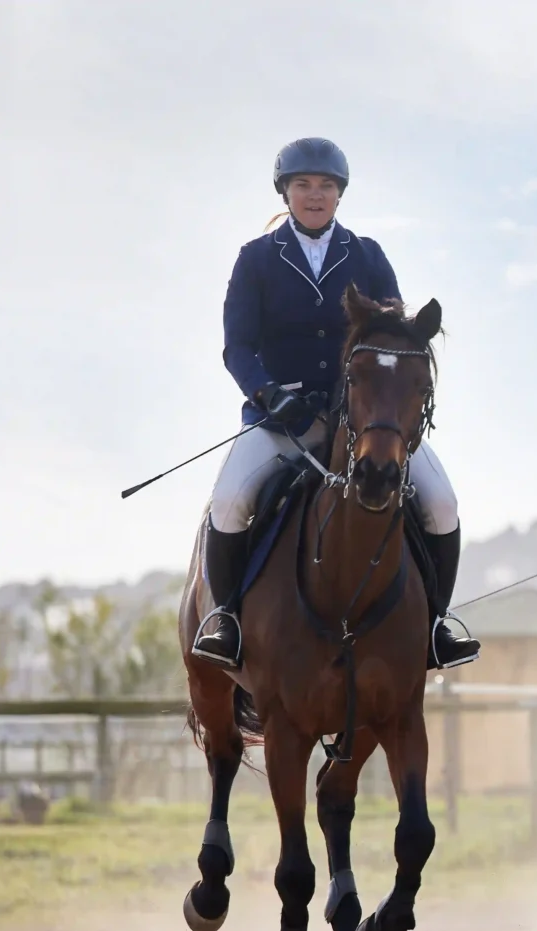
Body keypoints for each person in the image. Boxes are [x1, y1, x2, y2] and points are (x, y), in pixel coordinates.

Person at [195, 136, 478, 671]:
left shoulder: (367, 255)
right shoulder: (256, 260)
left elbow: (395, 333)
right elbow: (238, 347)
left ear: (340, 194)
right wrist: (269, 394)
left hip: (367, 421)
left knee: (441, 504)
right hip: (283, 420)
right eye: (303, 185)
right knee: (230, 503)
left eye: (326, 186)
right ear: (286, 192)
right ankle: (228, 621)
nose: (315, 195)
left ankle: (437, 625)